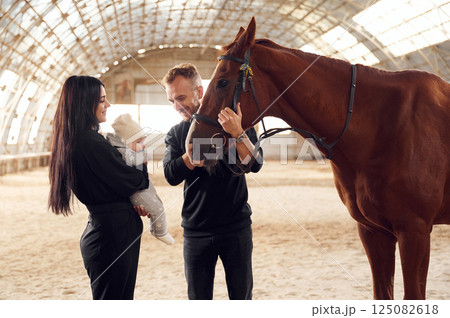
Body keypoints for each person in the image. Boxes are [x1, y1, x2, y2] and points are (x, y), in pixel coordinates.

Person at [162, 63, 263, 300]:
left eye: (181, 98)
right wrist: (190, 157)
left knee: (241, 299)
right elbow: (170, 175)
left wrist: (238, 133)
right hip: (196, 232)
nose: (177, 106)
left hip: (236, 228)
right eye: (171, 101)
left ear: (199, 92)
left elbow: (255, 164)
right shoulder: (177, 133)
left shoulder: (236, 120)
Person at [48, 75, 149, 300]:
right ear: (86, 103)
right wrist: (141, 156)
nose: (108, 105)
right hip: (111, 239)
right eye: (102, 100)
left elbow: (116, 187)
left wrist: (128, 204)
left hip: (107, 234)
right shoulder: (91, 143)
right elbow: (135, 181)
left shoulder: (81, 140)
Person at [106, 113, 175, 245]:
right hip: (137, 192)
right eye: (138, 142)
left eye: (143, 141)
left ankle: (156, 228)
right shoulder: (122, 151)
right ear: (124, 142)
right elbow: (132, 159)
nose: (143, 146)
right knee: (157, 208)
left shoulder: (129, 152)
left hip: (142, 187)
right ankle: (160, 232)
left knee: (157, 201)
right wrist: (145, 157)